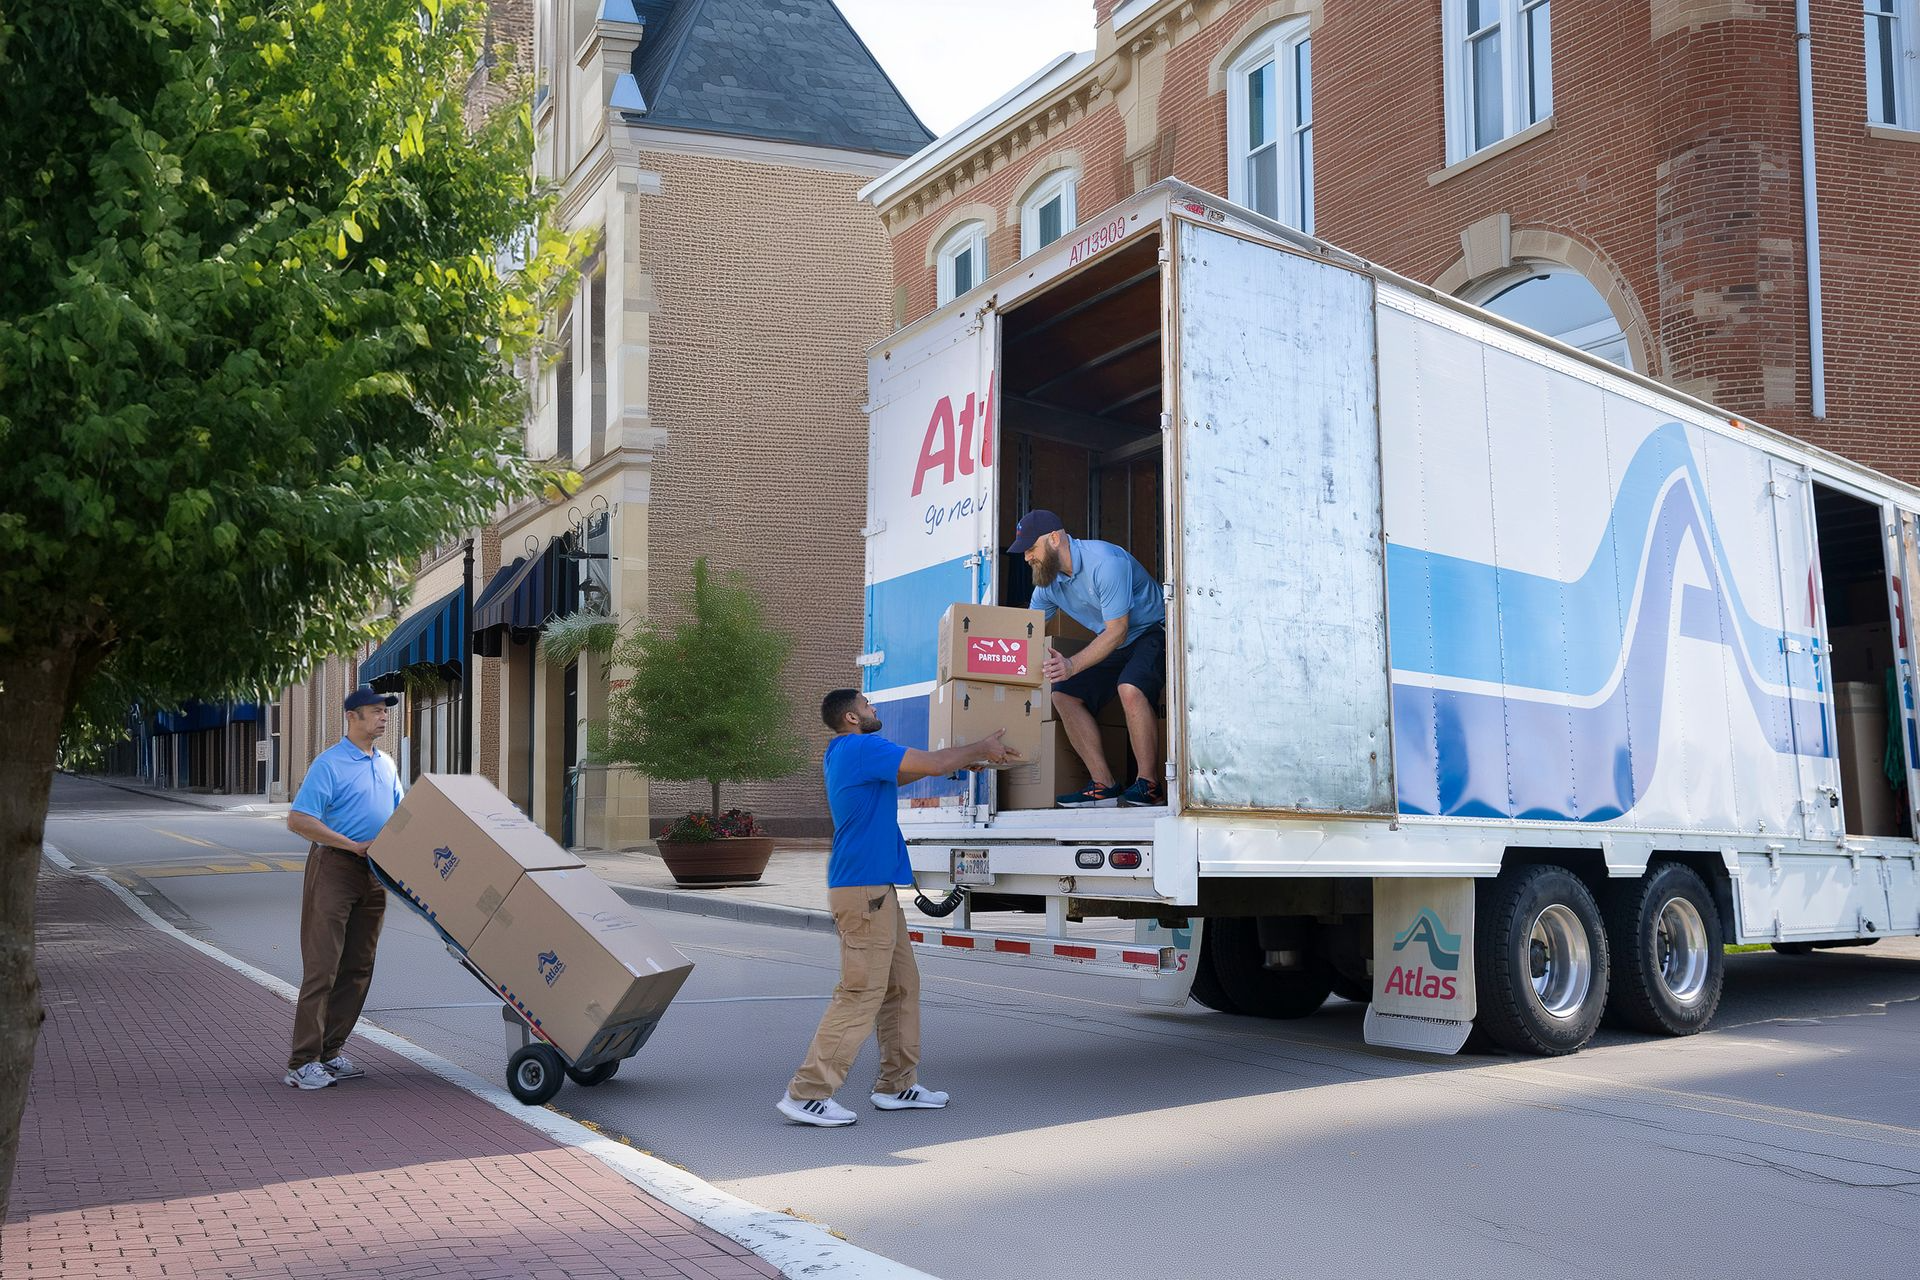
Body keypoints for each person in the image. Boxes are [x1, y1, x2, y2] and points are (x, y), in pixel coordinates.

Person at [778, 689, 1018, 1127]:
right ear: (852, 717)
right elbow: (930, 763)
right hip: (861, 888)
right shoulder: (861, 745)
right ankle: (808, 1092)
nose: (875, 709)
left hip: (875, 889)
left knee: (902, 985)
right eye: (868, 705)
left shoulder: (848, 752)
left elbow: (908, 773)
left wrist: (960, 761)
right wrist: (978, 748)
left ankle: (897, 1084)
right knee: (861, 991)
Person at [282, 684, 405, 1090]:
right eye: (375, 711)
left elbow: (401, 817)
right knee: (323, 967)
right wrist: (351, 844)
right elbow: (299, 819)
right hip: (335, 868)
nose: (384, 717)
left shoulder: (386, 763)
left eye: (385, 711)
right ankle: (302, 1062)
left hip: (375, 873)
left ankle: (330, 1052)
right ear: (352, 717)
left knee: (358, 968)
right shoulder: (329, 764)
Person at [1008, 509, 1167, 807]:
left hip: (1151, 632)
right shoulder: (1048, 584)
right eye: (1025, 552)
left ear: (1055, 539)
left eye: (1031, 548)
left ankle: (1149, 785)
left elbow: (1118, 631)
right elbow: (1024, 631)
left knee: (1129, 688)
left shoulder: (1105, 563)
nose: (1027, 557)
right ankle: (1104, 784)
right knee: (1063, 696)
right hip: (1114, 641)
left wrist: (1070, 665)